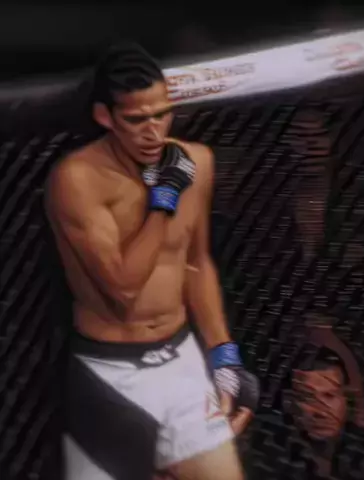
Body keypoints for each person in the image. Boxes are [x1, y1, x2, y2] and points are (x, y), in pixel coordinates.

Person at [44, 41, 259, 480]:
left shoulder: (197, 162)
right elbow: (123, 289)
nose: (153, 132)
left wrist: (224, 355)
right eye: (137, 120)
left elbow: (196, 263)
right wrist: (164, 200)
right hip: (110, 375)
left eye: (162, 114)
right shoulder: (78, 180)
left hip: (181, 360)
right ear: (106, 117)